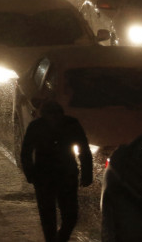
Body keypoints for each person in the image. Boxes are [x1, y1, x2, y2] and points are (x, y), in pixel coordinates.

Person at [21, 100, 93, 242]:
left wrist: (87, 173)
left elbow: (84, 150)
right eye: (51, 115)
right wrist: (30, 174)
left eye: (55, 115)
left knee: (68, 215)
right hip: (48, 176)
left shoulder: (69, 124)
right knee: (51, 216)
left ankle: (60, 238)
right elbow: (26, 152)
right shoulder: (38, 126)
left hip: (61, 175)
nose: (53, 119)